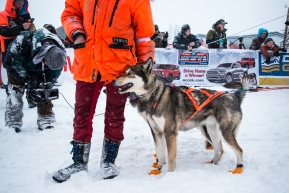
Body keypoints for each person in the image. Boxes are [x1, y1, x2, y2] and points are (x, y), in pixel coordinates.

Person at [52, 0, 155, 182]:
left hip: (120, 67)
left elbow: (144, 37)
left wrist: (144, 72)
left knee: (115, 115)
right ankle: (78, 162)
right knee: (81, 114)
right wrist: (76, 33)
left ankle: (108, 161)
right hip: (87, 62)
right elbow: (70, 13)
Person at [4, 28, 66, 133]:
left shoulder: (60, 54)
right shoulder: (22, 41)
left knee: (44, 89)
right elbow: (10, 63)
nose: (50, 67)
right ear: (45, 56)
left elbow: (53, 74)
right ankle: (13, 122)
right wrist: (28, 79)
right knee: (15, 91)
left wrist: (46, 86)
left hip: (39, 69)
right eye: (48, 64)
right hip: (19, 66)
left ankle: (46, 118)